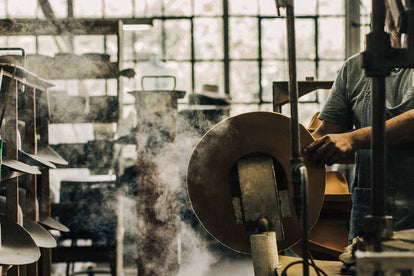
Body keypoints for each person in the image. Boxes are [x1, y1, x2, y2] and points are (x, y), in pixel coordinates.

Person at [303, 0, 414, 245]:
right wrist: (277, 148)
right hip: (369, 210)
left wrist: (353, 139)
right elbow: (328, 137)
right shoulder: (355, 68)